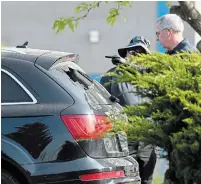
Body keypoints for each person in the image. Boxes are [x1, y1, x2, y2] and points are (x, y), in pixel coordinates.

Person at [100, 36, 157, 184]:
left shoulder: (152, 76)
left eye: (141, 53)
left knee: (147, 179)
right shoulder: (111, 75)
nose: (136, 55)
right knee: (122, 179)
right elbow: (101, 105)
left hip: (147, 138)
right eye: (133, 51)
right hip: (123, 138)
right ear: (125, 53)